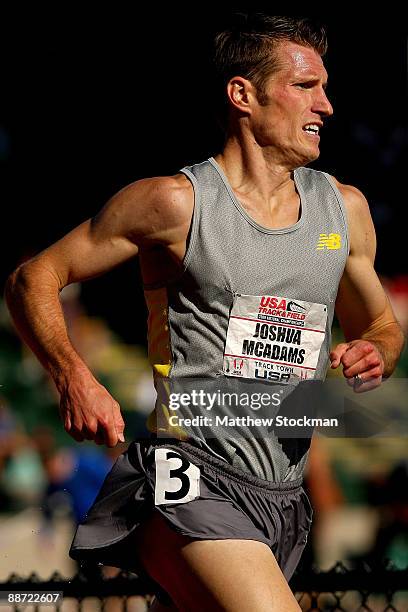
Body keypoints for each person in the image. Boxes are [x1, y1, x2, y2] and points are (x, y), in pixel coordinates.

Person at [5, 14, 404, 611]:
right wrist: (72, 375)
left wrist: (377, 351)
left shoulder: (343, 210)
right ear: (243, 95)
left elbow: (380, 327)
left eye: (325, 87)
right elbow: (33, 276)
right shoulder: (173, 204)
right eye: (304, 86)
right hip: (190, 474)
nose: (326, 104)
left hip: (282, 490)